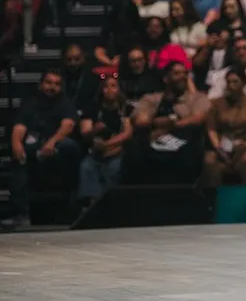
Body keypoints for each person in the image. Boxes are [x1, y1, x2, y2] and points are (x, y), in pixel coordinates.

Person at [7, 70, 81, 227]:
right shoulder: (30, 103)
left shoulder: (65, 103)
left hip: (56, 148)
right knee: (17, 157)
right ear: (41, 85)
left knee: (70, 147)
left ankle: (71, 211)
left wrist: (52, 142)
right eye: (49, 83)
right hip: (33, 148)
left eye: (56, 84)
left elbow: (68, 125)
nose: (52, 87)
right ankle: (21, 214)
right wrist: (16, 144)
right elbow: (19, 127)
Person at [128, 63, 210, 185]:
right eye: (177, 73)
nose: (182, 76)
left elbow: (198, 119)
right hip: (152, 146)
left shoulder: (197, 98)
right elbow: (140, 121)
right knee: (134, 148)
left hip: (185, 147)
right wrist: (155, 122)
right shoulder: (151, 98)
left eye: (185, 73)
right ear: (166, 78)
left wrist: (170, 125)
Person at [202, 66, 246, 186]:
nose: (231, 85)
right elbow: (211, 128)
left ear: (244, 82)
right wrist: (218, 147)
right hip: (222, 145)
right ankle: (214, 196)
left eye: (235, 82)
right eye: (229, 82)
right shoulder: (217, 103)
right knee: (209, 162)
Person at [76, 75, 133, 204]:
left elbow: (127, 133)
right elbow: (85, 132)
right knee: (86, 167)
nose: (109, 90)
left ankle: (111, 202)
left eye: (113, 86)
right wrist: (94, 130)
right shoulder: (92, 108)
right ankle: (92, 203)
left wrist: (106, 145)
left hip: (117, 150)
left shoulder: (125, 108)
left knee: (114, 168)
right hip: (96, 151)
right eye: (106, 87)